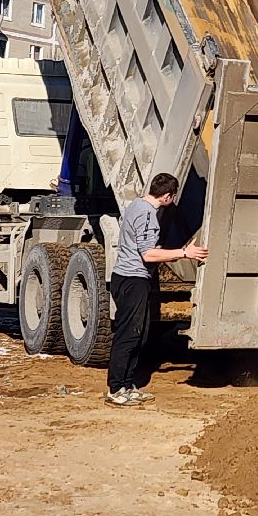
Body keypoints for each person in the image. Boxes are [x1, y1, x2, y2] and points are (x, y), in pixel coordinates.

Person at [106, 172, 207, 407]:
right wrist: (184, 253)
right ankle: (115, 389)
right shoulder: (149, 215)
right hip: (133, 281)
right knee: (128, 336)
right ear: (168, 196)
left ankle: (128, 385)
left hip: (126, 278)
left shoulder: (135, 205)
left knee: (138, 335)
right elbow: (148, 254)